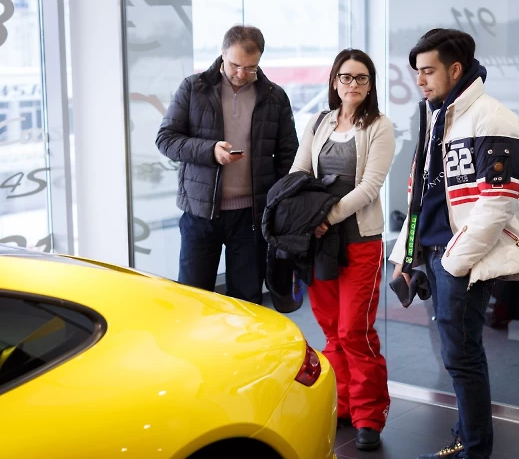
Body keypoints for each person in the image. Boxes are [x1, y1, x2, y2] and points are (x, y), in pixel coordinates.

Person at [389, 29, 519, 459]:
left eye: (428, 71)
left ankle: (474, 449)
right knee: (456, 354)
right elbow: (421, 195)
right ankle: (465, 439)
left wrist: (453, 262)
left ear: (455, 69)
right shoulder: (438, 115)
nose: (419, 80)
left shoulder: (494, 119)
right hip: (434, 254)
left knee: (462, 356)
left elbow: (498, 203)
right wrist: (406, 256)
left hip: (459, 259)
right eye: (417, 72)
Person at [290, 48, 394, 451]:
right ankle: (343, 404)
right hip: (320, 243)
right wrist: (307, 216)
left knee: (355, 330)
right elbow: (300, 171)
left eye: (361, 78)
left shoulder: (380, 126)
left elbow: (370, 187)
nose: (353, 84)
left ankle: (369, 415)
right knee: (333, 330)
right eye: (346, 77)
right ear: (335, 82)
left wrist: (326, 216)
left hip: (360, 240)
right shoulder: (319, 122)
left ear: (370, 85)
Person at [156, 25, 298, 304]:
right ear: (222, 53)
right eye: (235, 65)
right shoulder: (193, 88)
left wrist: (281, 207)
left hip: (251, 217)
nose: (241, 74)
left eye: (250, 67)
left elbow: (288, 155)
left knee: (247, 302)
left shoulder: (274, 96)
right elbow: (166, 140)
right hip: (200, 214)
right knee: (193, 300)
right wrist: (210, 151)